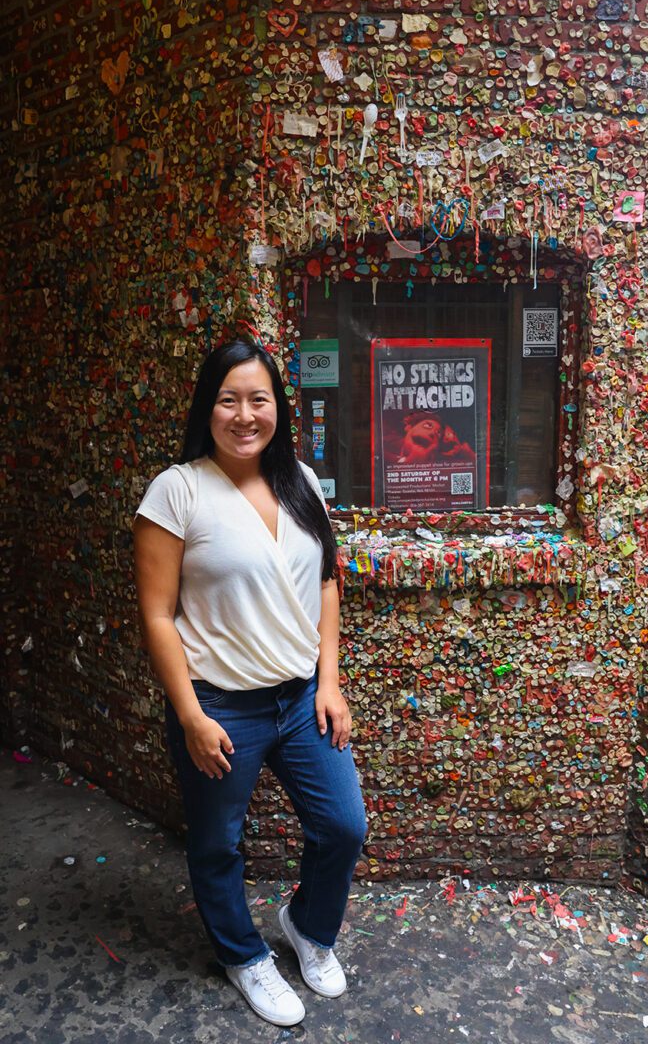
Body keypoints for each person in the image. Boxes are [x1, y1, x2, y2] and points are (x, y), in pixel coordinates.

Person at [134, 337, 367, 1027]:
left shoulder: (301, 479)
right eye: (228, 399)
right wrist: (190, 717)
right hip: (219, 706)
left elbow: (326, 583)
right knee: (217, 844)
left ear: (277, 407)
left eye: (257, 399)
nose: (244, 414)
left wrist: (330, 681)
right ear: (207, 407)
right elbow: (156, 614)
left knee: (343, 826)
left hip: (299, 701)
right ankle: (244, 956)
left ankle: (309, 929)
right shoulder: (177, 490)